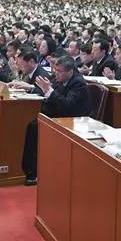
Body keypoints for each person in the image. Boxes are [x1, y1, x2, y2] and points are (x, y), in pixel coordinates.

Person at [21, 55, 92, 185]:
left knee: (34, 127)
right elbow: (50, 92)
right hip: (58, 115)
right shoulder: (60, 78)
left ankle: (33, 173)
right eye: (55, 70)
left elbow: (67, 105)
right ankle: (31, 171)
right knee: (32, 124)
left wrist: (49, 90)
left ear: (70, 71)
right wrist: (32, 88)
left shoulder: (78, 84)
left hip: (73, 120)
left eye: (59, 71)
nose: (56, 73)